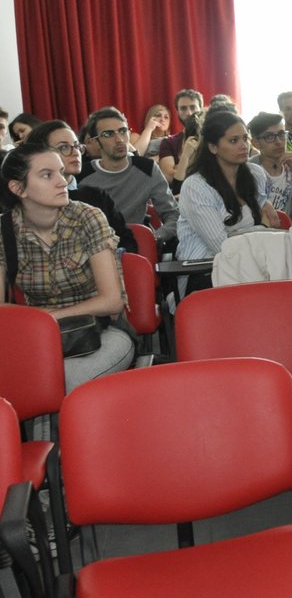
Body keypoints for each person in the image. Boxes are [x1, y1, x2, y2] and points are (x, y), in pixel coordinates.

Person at [1, 141, 136, 390]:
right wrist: (41, 325)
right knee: (28, 377)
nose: (62, 181)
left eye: (61, 172)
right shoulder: (4, 231)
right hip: (38, 339)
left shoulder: (87, 217)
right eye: (47, 175)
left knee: (61, 379)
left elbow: (111, 301)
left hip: (101, 332)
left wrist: (46, 318)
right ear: (18, 188)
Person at [177, 110, 276, 268]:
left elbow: (270, 224)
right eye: (233, 141)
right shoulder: (195, 186)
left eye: (245, 138)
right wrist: (262, 228)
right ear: (213, 147)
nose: (244, 146)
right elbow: (221, 247)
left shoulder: (256, 173)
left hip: (251, 262)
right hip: (204, 268)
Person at [33, 120, 136, 253]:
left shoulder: (96, 196)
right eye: (64, 147)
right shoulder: (32, 201)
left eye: (76, 146)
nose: (75, 152)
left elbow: (127, 242)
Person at [78, 106, 180, 238]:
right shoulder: (83, 175)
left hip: (137, 243)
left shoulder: (146, 168)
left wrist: (155, 238)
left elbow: (172, 214)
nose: (119, 139)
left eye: (122, 131)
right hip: (96, 246)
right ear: (96, 141)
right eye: (108, 134)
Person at [247, 112, 292, 227]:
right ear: (256, 143)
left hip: (289, 237)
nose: (278, 141)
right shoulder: (248, 170)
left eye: (281, 134)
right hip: (258, 237)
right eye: (269, 136)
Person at [157, 89, 204, 182]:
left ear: (201, 109)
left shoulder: (212, 136)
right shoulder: (168, 142)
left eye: (193, 107)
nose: (189, 113)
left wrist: (179, 167)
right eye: (183, 108)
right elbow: (169, 176)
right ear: (177, 111)